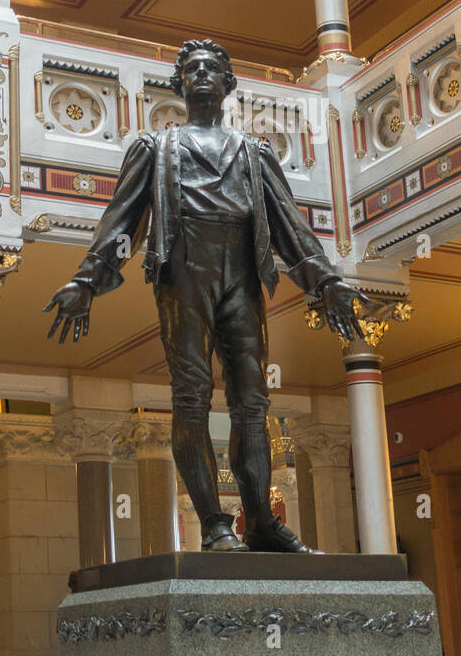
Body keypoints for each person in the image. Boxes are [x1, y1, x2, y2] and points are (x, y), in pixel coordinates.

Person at [44, 39, 369, 552]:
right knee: (191, 396)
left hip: (240, 268)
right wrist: (87, 280)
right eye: (191, 69)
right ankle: (215, 525)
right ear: (179, 84)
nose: (200, 75)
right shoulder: (155, 149)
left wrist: (325, 282)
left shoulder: (254, 153)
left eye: (211, 69)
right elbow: (121, 222)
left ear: (227, 84)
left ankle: (261, 521)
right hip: (185, 269)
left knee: (252, 399)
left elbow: (289, 227)